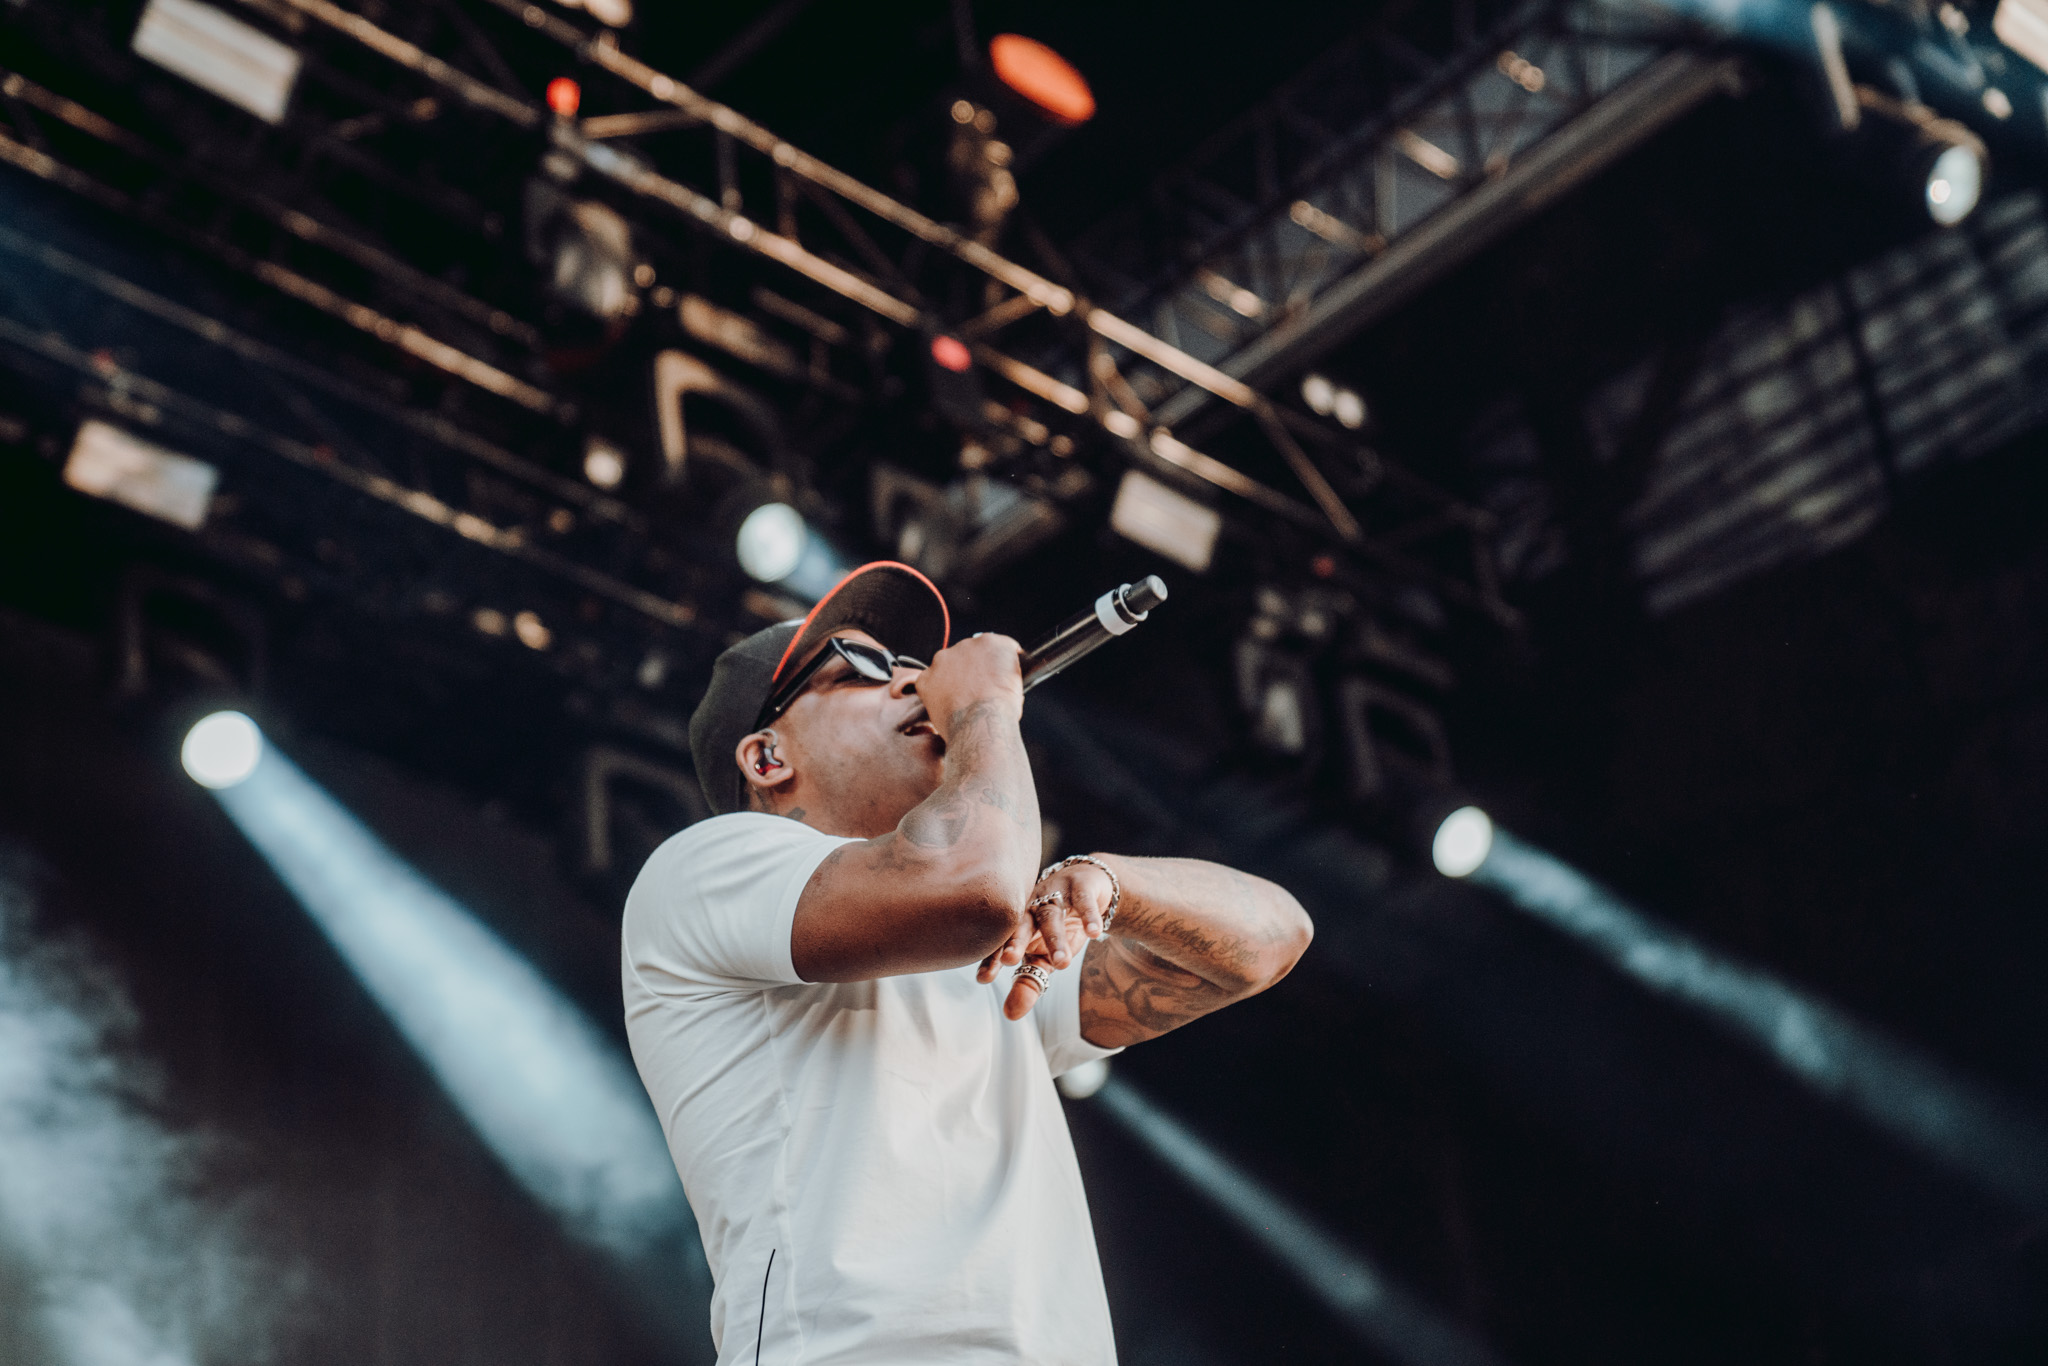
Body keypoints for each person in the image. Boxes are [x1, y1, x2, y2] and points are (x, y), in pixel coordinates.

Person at [622, 561, 1313, 1365]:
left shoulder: (985, 940)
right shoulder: (709, 865)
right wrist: (983, 707)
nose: (914, 679)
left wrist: (1111, 883)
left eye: (911, 663)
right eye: (862, 668)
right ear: (767, 757)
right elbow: (976, 886)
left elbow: (1272, 939)